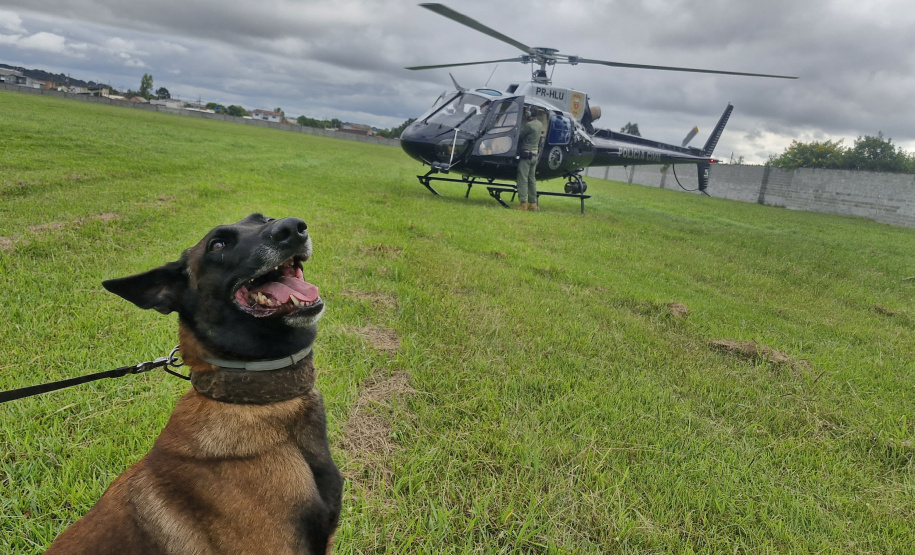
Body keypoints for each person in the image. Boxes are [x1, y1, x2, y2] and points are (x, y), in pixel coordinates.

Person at [515, 106, 543, 211]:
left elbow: (520, 137)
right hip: (534, 156)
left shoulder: (528, 125)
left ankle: (523, 204)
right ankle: (533, 204)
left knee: (522, 179)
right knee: (532, 180)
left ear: (530, 114)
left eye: (527, 113)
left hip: (526, 156)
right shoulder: (539, 124)